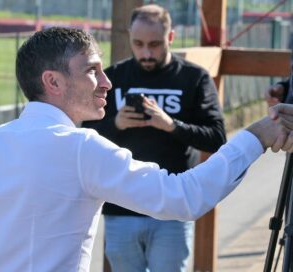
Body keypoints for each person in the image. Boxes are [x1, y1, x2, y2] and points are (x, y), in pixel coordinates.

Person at [0, 27, 293, 272]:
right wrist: (255, 137)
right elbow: (183, 197)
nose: (107, 82)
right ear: (52, 81)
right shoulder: (80, 148)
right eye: (92, 70)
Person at [82, 4, 225, 271]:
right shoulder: (113, 78)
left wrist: (172, 125)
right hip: (121, 206)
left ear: (170, 38)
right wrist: (116, 123)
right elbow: (85, 138)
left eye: (155, 44)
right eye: (138, 44)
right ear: (129, 38)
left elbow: (217, 138)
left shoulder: (194, 78)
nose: (146, 53)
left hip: (172, 205)